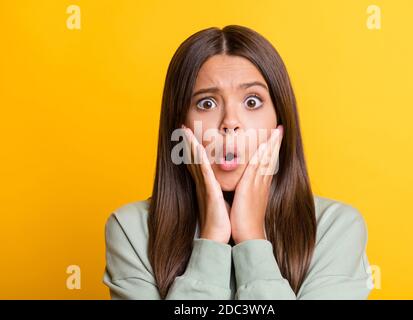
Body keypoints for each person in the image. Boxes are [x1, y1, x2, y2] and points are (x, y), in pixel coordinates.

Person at [103, 25, 373, 300]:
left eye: (252, 101)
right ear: (179, 125)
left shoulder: (336, 228)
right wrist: (211, 239)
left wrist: (252, 238)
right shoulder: (131, 230)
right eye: (206, 104)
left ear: (280, 121)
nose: (230, 122)